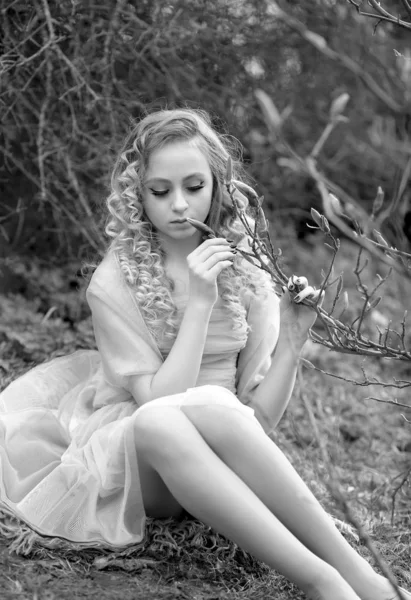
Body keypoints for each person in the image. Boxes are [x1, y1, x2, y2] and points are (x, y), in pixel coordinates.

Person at [0, 108, 409, 600]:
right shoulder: (114, 281)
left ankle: (363, 578)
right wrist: (199, 302)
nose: (178, 205)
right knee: (160, 421)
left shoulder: (245, 265)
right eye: (159, 190)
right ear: (137, 193)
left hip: (218, 454)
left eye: (194, 187)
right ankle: (323, 583)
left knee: (215, 406)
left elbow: (253, 421)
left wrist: (293, 342)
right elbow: (155, 402)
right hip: (144, 462)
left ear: (217, 184)